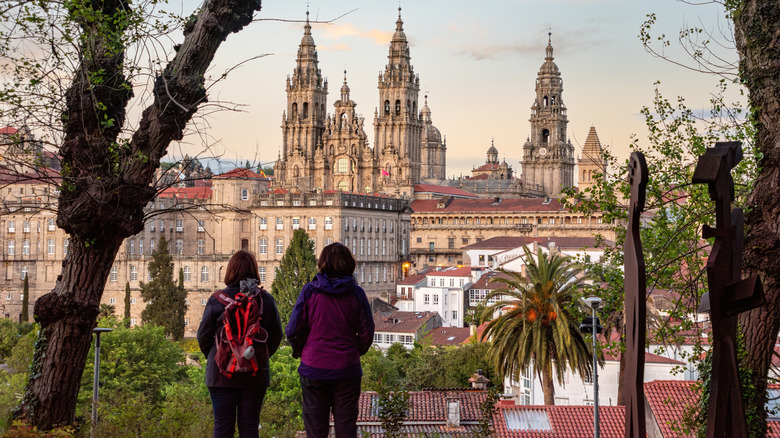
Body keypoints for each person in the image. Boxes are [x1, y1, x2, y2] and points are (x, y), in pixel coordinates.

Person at [286, 243, 375, 438]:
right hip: (347, 368)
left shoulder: (309, 291)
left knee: (315, 430)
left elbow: (293, 329)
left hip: (314, 367)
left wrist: (302, 350)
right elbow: (367, 332)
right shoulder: (356, 294)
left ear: (322, 263)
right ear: (349, 264)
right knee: (346, 427)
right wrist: (353, 350)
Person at [197, 250, 283, 438]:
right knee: (250, 426)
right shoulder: (265, 301)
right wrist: (257, 356)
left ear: (230, 271)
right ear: (255, 271)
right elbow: (276, 336)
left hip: (220, 374)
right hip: (254, 372)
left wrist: (217, 357)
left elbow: (203, 337)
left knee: (222, 427)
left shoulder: (216, 300)